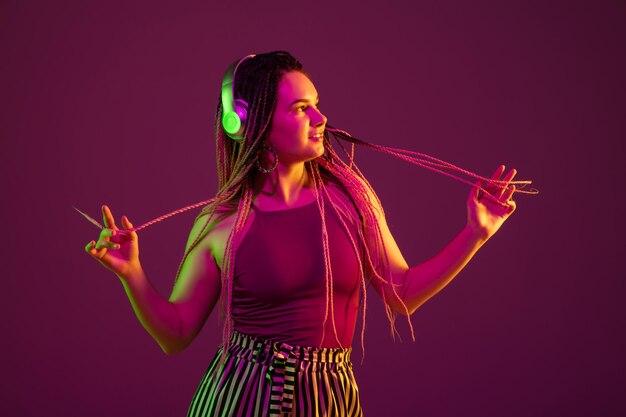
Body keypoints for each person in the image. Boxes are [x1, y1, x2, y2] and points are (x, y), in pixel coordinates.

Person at [84, 51, 519, 417]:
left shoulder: (352, 199)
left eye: (315, 103)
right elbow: (175, 333)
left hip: (329, 398)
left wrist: (475, 234)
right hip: (239, 399)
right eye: (300, 108)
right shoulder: (221, 221)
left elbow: (401, 292)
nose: (321, 117)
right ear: (248, 123)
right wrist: (132, 274)